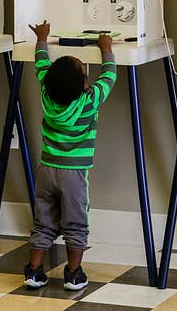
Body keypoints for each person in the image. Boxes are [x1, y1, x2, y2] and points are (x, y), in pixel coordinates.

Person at [24, 21, 117, 291]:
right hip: (75, 176)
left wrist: (42, 39)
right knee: (76, 222)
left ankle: (34, 271)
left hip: (46, 170)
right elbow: (110, 76)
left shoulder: (46, 94)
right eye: (82, 68)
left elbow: (41, 64)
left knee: (43, 220)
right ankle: (74, 273)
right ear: (84, 84)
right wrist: (106, 49)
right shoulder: (89, 102)